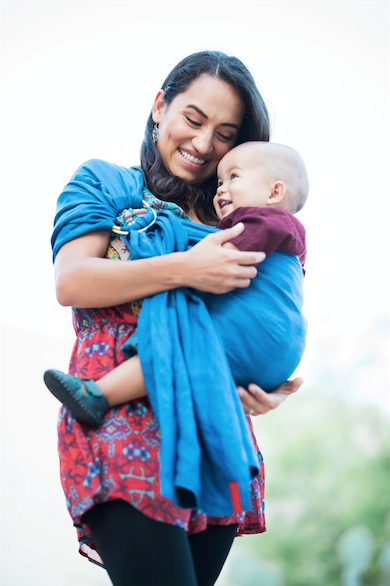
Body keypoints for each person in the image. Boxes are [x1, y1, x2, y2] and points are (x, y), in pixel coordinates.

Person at [48, 50, 304, 586]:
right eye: (193, 119)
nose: (205, 143)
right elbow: (73, 282)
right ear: (160, 105)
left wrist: (267, 390)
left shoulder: (241, 220)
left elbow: (266, 321)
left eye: (226, 133)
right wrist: (188, 267)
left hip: (218, 435)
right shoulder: (108, 184)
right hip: (118, 416)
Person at [44, 140, 308, 430]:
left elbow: (219, 262)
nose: (221, 188)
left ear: (275, 192)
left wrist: (176, 256)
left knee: (170, 344)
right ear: (161, 108)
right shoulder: (287, 238)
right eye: (220, 180)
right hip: (277, 351)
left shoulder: (260, 222)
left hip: (259, 332)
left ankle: (99, 394)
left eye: (233, 177)